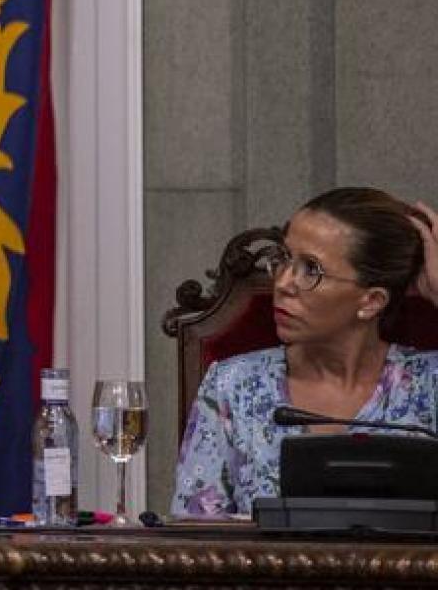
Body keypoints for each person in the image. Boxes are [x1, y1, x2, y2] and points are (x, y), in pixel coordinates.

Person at [172, 187, 438, 516]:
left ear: (371, 301)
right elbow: (194, 529)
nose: (283, 283)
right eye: (284, 258)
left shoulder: (429, 384)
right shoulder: (233, 385)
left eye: (311, 269)